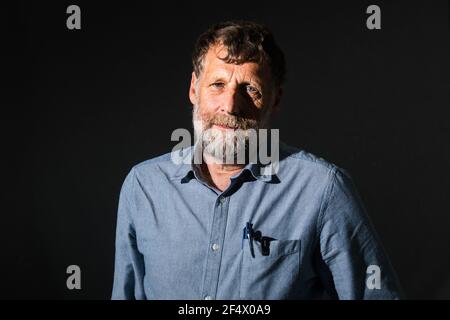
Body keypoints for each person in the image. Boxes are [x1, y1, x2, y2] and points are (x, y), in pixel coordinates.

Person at [111, 20, 403, 300]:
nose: (230, 105)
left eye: (250, 89)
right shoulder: (143, 187)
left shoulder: (322, 190)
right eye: (217, 84)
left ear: (275, 100)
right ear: (193, 89)